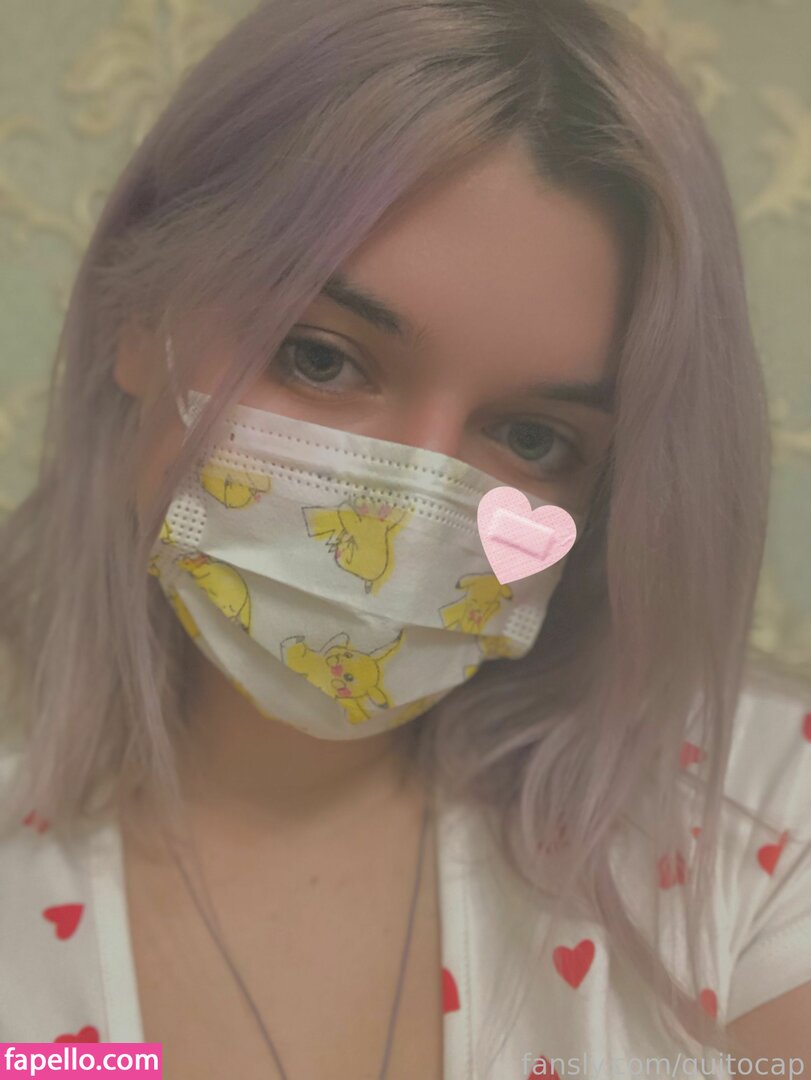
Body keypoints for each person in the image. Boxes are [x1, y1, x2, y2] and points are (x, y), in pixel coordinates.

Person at [0, 1, 809, 1077]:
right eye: (322, 357)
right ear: (134, 318)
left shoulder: (755, 823)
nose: (415, 507)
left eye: (532, 437)